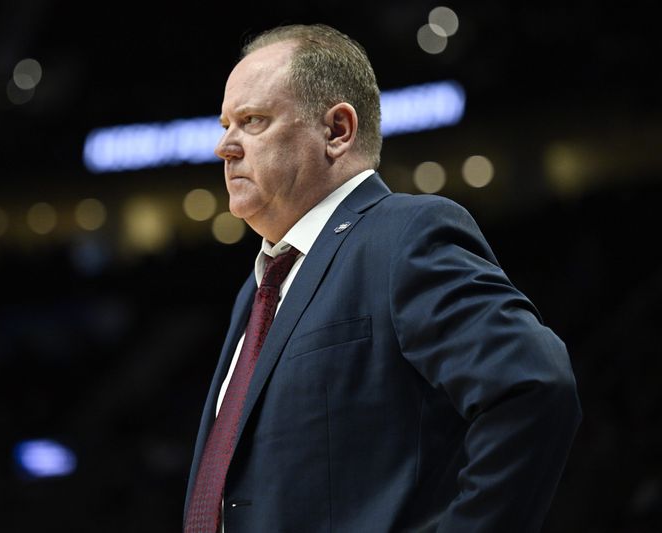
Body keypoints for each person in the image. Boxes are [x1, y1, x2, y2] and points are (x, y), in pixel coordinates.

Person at [183, 23, 581, 533]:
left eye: (252, 121)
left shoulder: (403, 234)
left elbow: (534, 386)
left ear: (337, 131)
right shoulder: (259, 288)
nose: (225, 146)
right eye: (225, 125)